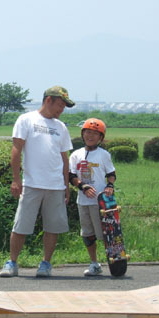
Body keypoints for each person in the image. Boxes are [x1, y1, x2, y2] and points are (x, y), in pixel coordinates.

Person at [0, 86, 74, 278]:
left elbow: (64, 159)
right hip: (31, 183)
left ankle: (46, 263)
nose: (61, 110)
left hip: (56, 185)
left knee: (52, 227)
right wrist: (16, 179)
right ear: (48, 100)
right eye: (60, 105)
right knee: (21, 225)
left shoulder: (61, 127)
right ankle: (12, 262)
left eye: (64, 107)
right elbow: (16, 150)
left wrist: (66, 185)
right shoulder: (26, 120)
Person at [69, 118, 116, 276]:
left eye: (95, 134)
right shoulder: (76, 155)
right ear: (83, 134)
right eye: (88, 132)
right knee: (87, 234)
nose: (90, 136)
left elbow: (111, 173)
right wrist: (82, 186)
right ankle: (94, 264)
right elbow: (71, 176)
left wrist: (110, 186)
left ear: (101, 137)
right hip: (83, 201)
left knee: (106, 234)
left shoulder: (104, 155)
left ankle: (114, 260)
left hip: (101, 202)